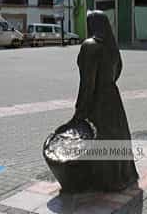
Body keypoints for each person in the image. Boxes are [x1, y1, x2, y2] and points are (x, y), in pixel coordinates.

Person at [55, 10, 139, 192]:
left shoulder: (90, 45)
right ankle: (124, 176)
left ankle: (104, 182)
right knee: (117, 137)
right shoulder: (112, 46)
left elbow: (87, 84)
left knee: (99, 139)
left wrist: (80, 112)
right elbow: (118, 72)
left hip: (97, 101)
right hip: (113, 99)